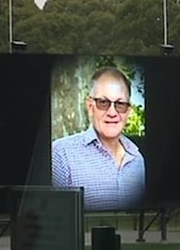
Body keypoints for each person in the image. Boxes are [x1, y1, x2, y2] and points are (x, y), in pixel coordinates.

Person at [52, 66, 146, 211]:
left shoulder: (137, 159)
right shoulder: (61, 153)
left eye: (120, 104)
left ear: (128, 111)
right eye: (103, 103)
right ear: (90, 106)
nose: (112, 112)